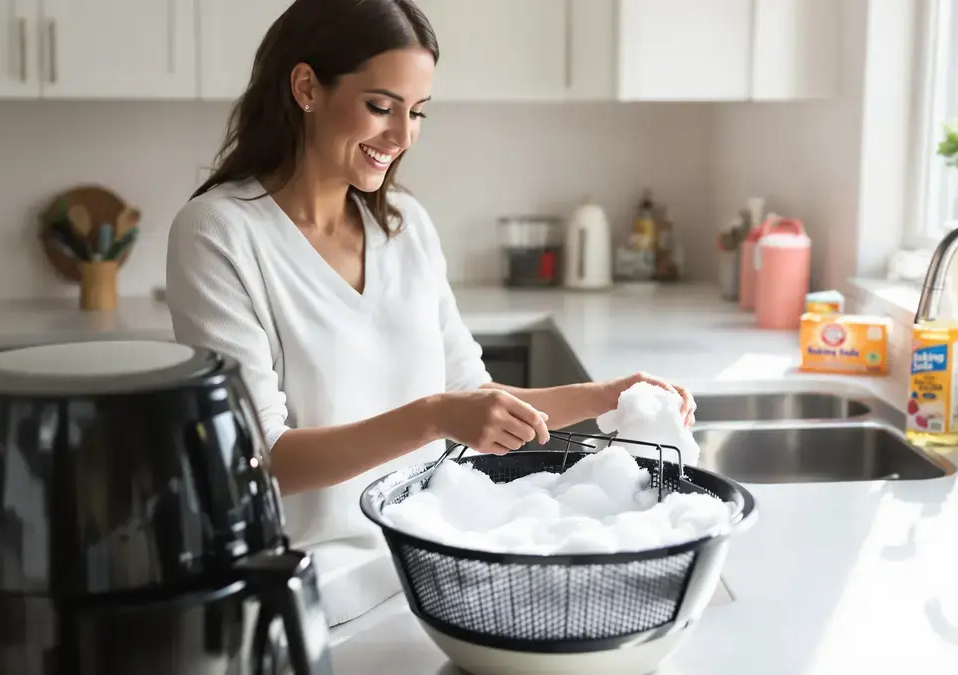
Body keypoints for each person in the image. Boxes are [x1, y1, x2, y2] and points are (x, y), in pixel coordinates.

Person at [164, 0, 697, 626]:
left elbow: (473, 398)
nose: (402, 135)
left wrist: (605, 396)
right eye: (381, 106)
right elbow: (262, 460)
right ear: (306, 86)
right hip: (313, 596)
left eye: (416, 112)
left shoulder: (404, 226)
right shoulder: (219, 233)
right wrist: (435, 417)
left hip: (433, 570)